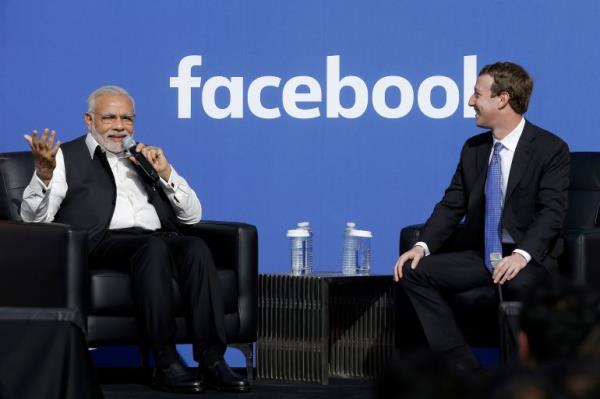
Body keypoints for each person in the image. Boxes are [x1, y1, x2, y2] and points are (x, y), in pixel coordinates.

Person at [20, 85, 250, 394]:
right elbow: (34, 221)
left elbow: (192, 217)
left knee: (194, 246)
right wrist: (44, 176)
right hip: (101, 242)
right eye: (109, 118)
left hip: (156, 237)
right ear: (89, 121)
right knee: (151, 248)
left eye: (127, 118)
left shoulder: (144, 156)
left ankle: (212, 360)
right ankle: (165, 361)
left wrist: (166, 173)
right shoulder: (65, 157)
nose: (119, 127)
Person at [393, 62, 570, 371]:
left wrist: (521, 255)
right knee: (412, 271)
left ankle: (522, 380)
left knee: (519, 286)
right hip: (481, 255)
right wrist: (422, 247)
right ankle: (463, 371)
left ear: (502, 99)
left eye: (477, 94)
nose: (471, 102)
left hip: (526, 258)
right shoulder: (473, 149)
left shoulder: (550, 148)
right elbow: (452, 204)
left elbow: (551, 213)